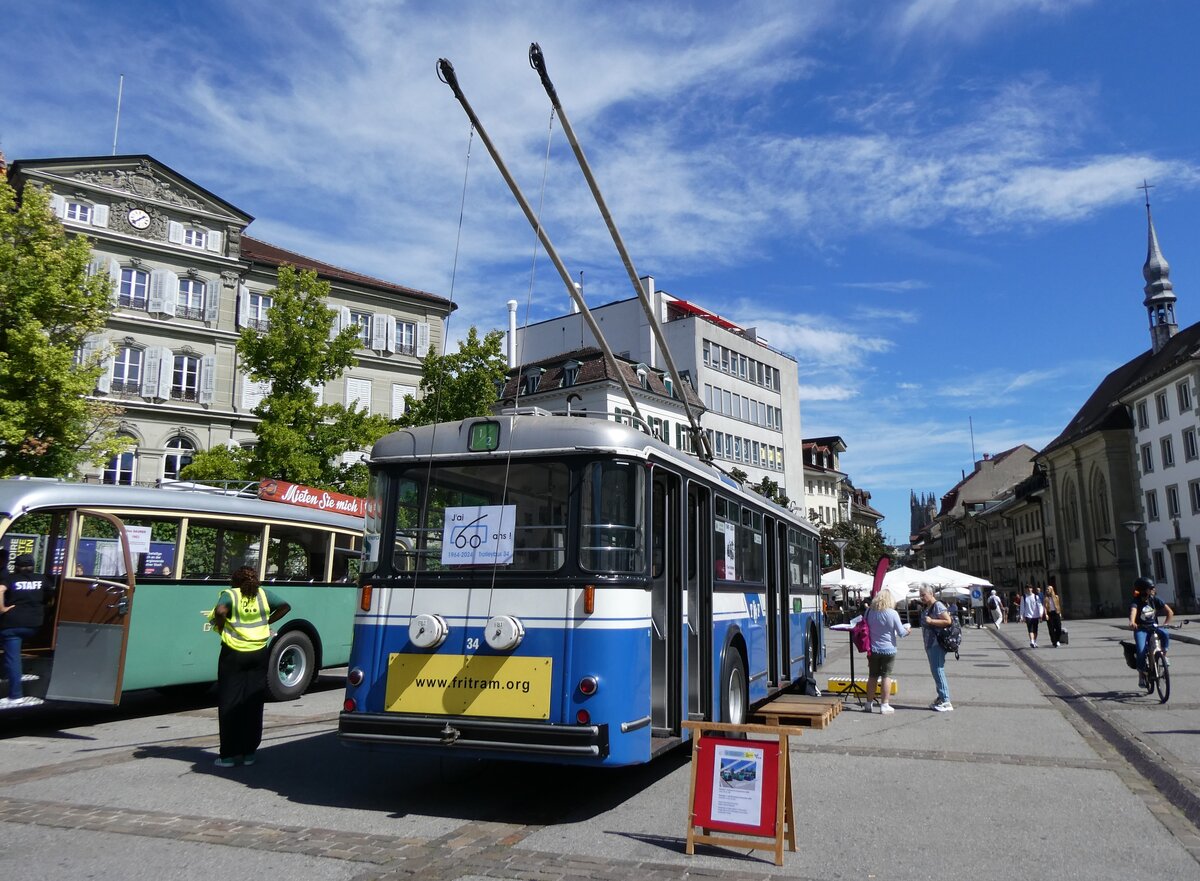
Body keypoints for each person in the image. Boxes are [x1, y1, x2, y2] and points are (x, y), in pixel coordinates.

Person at [209, 566, 290, 767]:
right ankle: (249, 754)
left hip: (233, 654)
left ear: (235, 580)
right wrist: (267, 621)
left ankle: (227, 755)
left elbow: (220, 610)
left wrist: (221, 624)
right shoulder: (264, 594)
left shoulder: (231, 595)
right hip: (259, 652)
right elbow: (285, 606)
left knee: (230, 702)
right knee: (253, 702)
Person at [0, 553, 48, 708]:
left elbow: (0, 590)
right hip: (34, 626)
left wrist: (2, 609)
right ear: (33, 566)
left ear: (16, 567)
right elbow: (51, 596)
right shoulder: (41, 579)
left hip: (12, 625)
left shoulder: (10, 579)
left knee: (13, 659)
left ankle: (15, 695)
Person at [864, 590, 910, 714]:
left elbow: (864, 628)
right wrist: (908, 630)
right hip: (889, 649)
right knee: (886, 676)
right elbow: (901, 633)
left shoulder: (869, 612)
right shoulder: (892, 613)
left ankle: (868, 703)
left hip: (872, 649)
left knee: (872, 676)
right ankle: (884, 705)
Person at [1128, 576, 1173, 688]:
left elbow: (1170, 612)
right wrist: (1132, 622)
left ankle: (1163, 656)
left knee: (1165, 634)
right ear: (1144, 589)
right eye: (1151, 587)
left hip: (1154, 627)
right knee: (1141, 650)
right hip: (1141, 629)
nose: (1153, 589)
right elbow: (1133, 611)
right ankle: (1141, 675)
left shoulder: (1154, 599)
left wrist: (1166, 624)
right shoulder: (1136, 601)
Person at [918, 585, 953, 712]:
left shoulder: (938, 605)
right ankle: (941, 696)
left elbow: (948, 621)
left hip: (936, 644)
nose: (921, 597)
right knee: (935, 671)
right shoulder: (928, 607)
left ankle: (946, 700)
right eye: (920, 595)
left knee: (938, 670)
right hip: (930, 644)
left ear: (931, 594)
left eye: (923, 595)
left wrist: (932, 621)